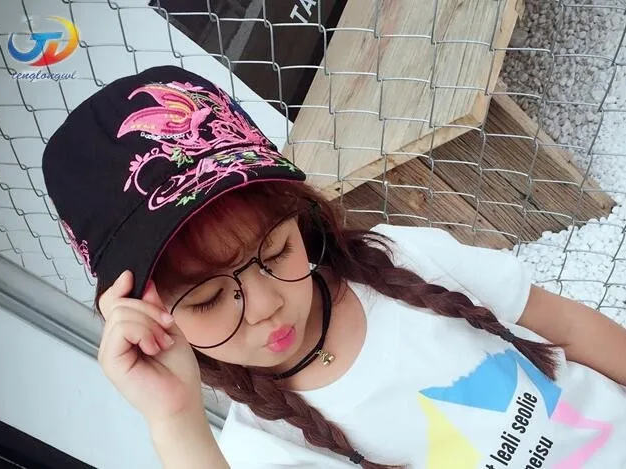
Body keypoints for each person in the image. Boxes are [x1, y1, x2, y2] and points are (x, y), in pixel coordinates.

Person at [42, 65, 626, 469]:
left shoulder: (400, 260)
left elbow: (567, 326)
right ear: (152, 318)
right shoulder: (270, 446)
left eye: (276, 251)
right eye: (206, 298)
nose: (267, 306)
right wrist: (175, 421)